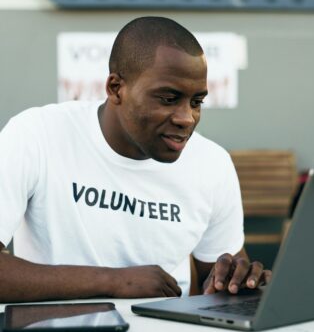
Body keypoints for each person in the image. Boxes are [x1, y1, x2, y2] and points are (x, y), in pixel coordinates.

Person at [0, 16, 271, 303]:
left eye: (196, 102)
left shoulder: (212, 163)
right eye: (168, 98)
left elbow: (216, 278)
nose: (186, 118)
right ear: (116, 88)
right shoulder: (37, 134)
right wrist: (114, 281)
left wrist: (238, 281)